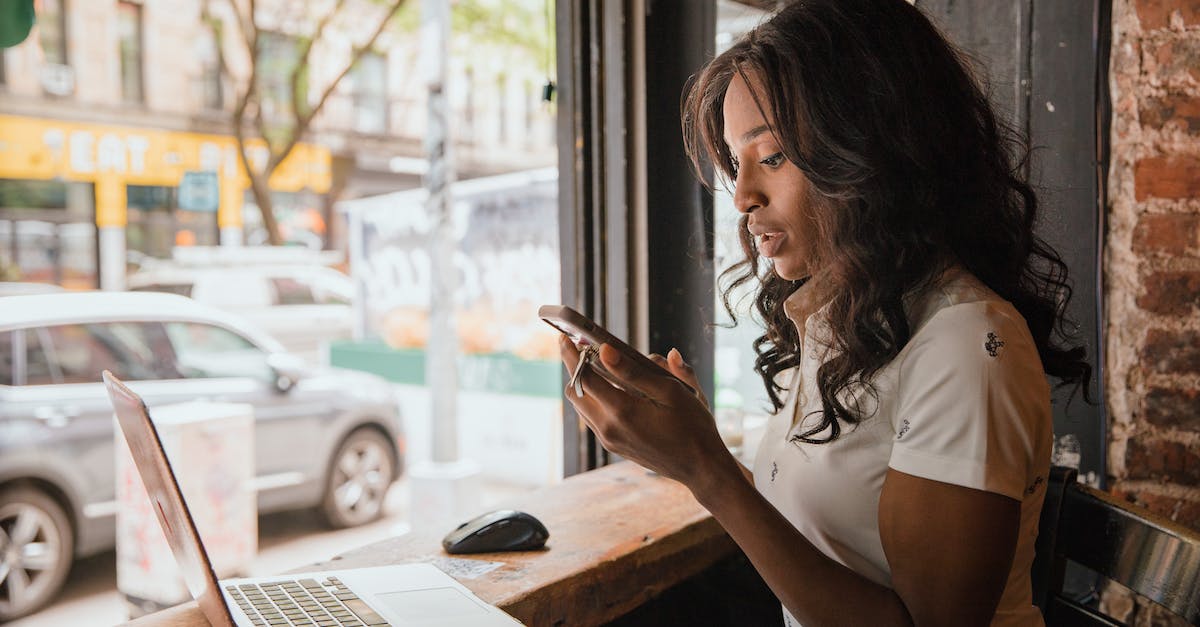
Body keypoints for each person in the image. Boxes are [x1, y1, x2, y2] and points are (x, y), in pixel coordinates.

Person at [556, 1, 1092, 625]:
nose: (743, 196)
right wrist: (687, 446)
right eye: (736, 162)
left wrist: (706, 471)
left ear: (874, 147)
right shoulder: (851, 320)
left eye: (774, 156)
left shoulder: (968, 344)